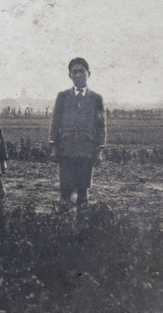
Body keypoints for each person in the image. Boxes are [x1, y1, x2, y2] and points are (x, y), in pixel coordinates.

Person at [49, 58, 106, 213]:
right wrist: (54, 147)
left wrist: (99, 151)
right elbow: (55, 122)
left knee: (83, 190)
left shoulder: (96, 99)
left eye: (82, 71)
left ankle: (82, 229)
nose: (78, 75)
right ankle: (64, 227)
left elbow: (101, 127)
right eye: (75, 72)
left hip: (87, 150)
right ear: (70, 75)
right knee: (65, 190)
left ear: (89, 74)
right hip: (66, 149)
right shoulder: (63, 96)